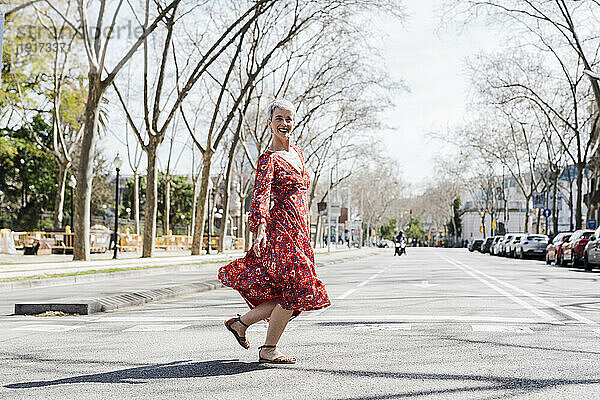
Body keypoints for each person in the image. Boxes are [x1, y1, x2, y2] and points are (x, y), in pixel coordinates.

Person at [218, 99, 330, 364]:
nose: (284, 123)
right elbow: (261, 196)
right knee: (296, 291)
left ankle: (242, 324)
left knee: (292, 294)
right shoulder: (268, 159)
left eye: (289, 118)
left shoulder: (299, 153)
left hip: (300, 232)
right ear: (269, 123)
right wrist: (258, 230)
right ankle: (267, 348)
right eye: (279, 118)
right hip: (280, 234)